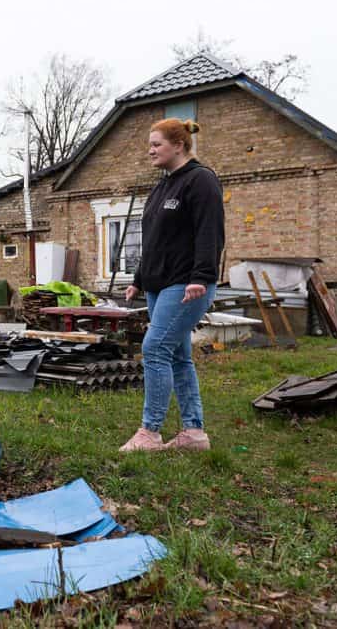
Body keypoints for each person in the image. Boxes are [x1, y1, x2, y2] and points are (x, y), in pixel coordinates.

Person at [119, 118, 224, 452]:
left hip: (186, 283)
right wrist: (137, 279)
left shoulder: (201, 180)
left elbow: (210, 232)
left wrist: (201, 276)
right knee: (178, 356)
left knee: (154, 349)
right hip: (156, 284)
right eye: (149, 145)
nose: (150, 151)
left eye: (156, 144)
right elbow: (153, 239)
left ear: (178, 145)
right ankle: (194, 433)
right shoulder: (162, 186)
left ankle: (149, 433)